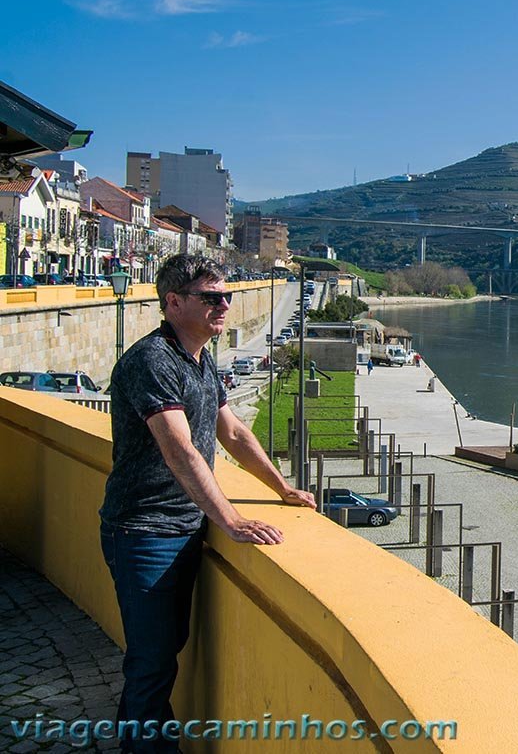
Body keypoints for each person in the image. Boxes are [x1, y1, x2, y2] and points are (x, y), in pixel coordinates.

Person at [100, 255, 315, 754]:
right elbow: (180, 450)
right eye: (211, 297)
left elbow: (235, 432)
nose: (224, 305)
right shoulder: (152, 360)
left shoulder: (199, 358)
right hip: (144, 530)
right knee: (153, 657)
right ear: (173, 303)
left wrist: (281, 488)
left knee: (158, 652)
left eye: (227, 296)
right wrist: (232, 519)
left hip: (183, 525)